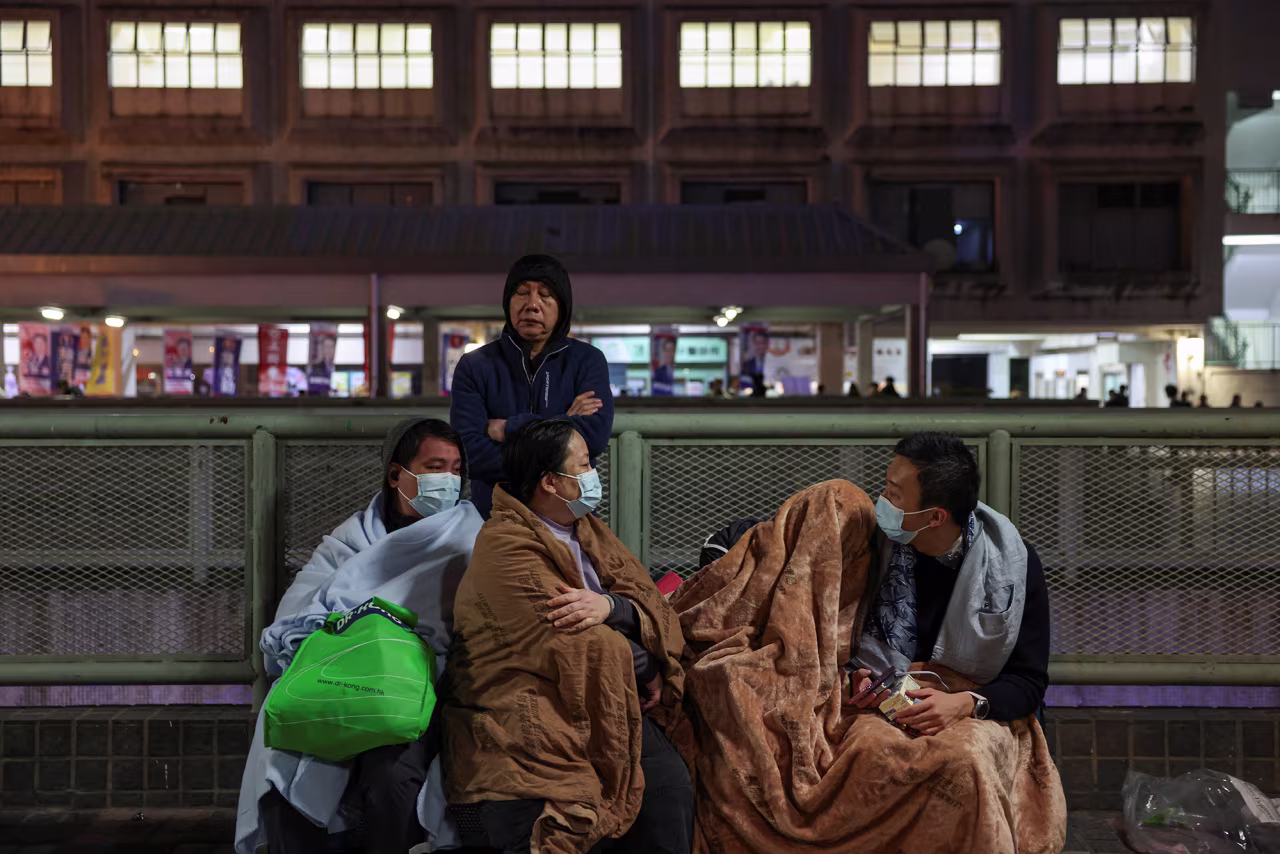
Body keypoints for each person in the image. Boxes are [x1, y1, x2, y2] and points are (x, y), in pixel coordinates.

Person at [669, 432, 1064, 854]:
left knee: (964, 763)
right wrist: (856, 673)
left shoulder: (1012, 569)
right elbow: (771, 546)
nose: (881, 499)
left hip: (970, 704)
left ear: (934, 516)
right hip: (875, 700)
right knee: (858, 755)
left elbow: (1027, 680)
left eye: (894, 492)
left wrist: (966, 703)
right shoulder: (869, 540)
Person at [442, 419, 691, 854]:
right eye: (585, 464)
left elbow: (643, 598)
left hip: (610, 690)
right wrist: (647, 664)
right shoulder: (506, 546)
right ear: (551, 483)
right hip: (531, 696)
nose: (594, 474)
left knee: (669, 785)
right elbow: (576, 640)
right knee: (573, 806)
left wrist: (613, 608)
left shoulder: (588, 529)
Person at [235, 419, 484, 854]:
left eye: (456, 468)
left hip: (421, 690)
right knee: (283, 757)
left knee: (395, 775)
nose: (448, 479)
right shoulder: (349, 541)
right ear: (396, 475)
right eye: (434, 466)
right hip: (341, 681)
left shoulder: (471, 537)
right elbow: (294, 618)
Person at [450, 254, 614, 518]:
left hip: (569, 517)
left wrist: (508, 428)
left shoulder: (587, 360)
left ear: (562, 306)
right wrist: (563, 431)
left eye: (546, 295)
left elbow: (593, 437)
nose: (532, 305)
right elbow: (470, 452)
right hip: (494, 518)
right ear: (508, 302)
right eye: (522, 293)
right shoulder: (475, 365)